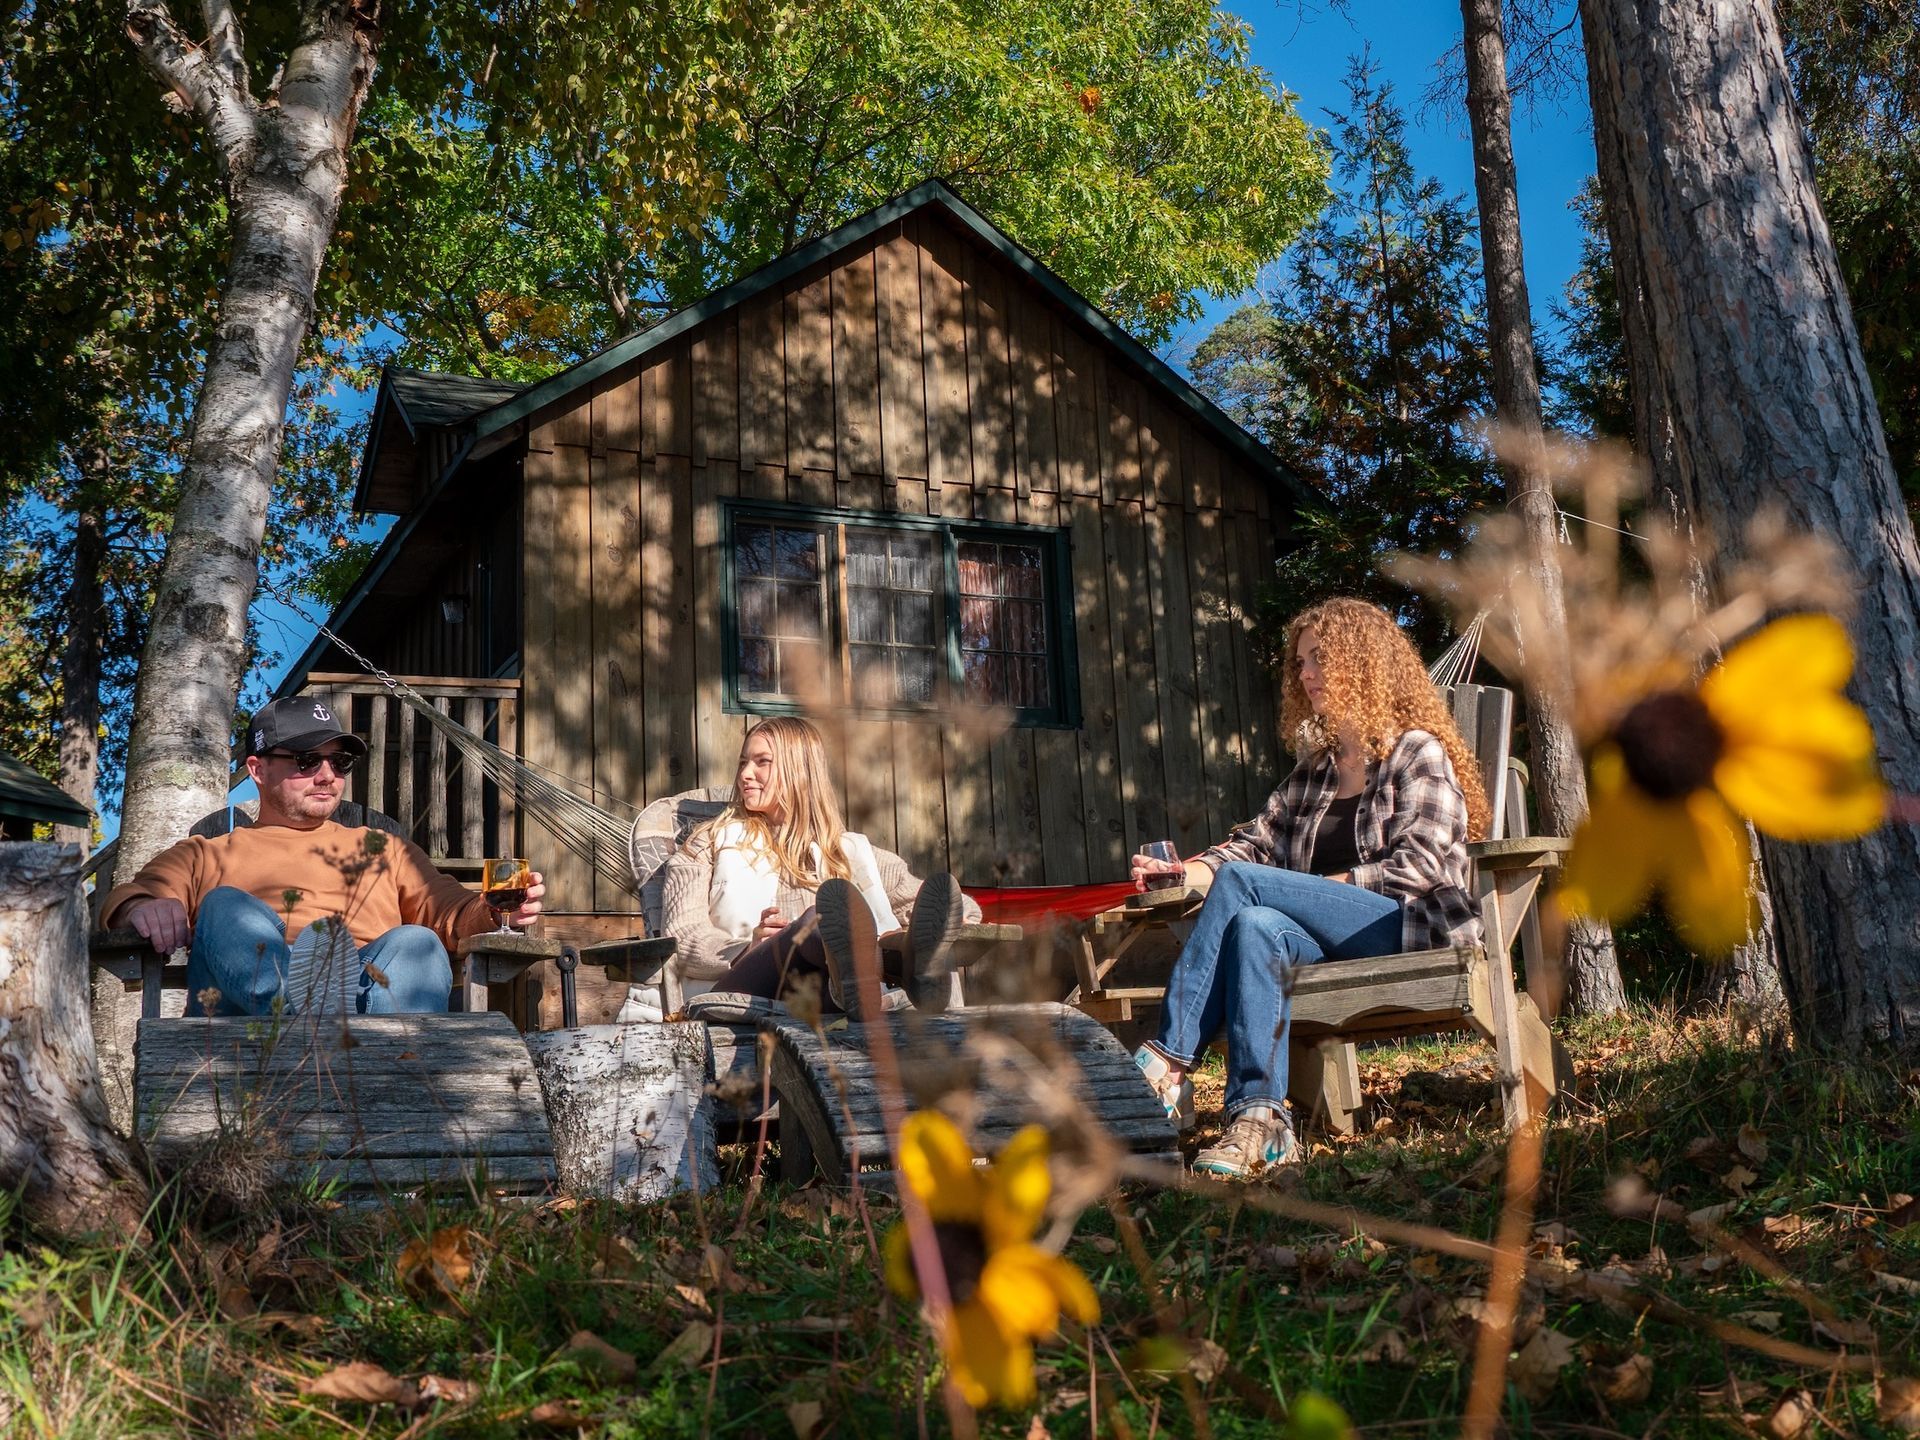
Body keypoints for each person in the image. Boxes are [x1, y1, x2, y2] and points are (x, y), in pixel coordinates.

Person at [1130, 598, 1489, 1178]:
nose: (1305, 674)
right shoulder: (1315, 773)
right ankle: (1260, 1122)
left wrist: (1310, 888)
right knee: (1254, 925)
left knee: (1252, 892)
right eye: (1300, 663)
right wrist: (1182, 873)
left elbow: (1420, 866)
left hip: (1408, 928)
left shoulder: (1417, 752)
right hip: (1328, 943)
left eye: (1320, 659)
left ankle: (1168, 1060)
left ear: (1364, 664)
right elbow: (1251, 851)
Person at [102, 697, 546, 1017]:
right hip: (251, 1022)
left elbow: (451, 913)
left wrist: (493, 912)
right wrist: (145, 908)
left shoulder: (384, 849)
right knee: (224, 907)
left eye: (340, 762)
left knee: (419, 943)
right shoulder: (206, 853)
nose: (327, 775)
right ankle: (304, 1010)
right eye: (306, 760)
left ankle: (339, 1028)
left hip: (368, 1007)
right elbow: (131, 898)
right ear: (258, 769)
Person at [660, 716, 980, 1020]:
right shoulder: (706, 846)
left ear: (800, 770)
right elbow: (682, 935)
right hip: (746, 992)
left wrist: (961, 917)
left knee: (852, 951)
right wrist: (745, 947)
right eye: (743, 762)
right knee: (820, 918)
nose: (744, 773)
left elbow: (944, 907)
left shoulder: (848, 852)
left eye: (762, 762)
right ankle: (902, 966)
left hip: (825, 1002)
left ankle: (876, 975)